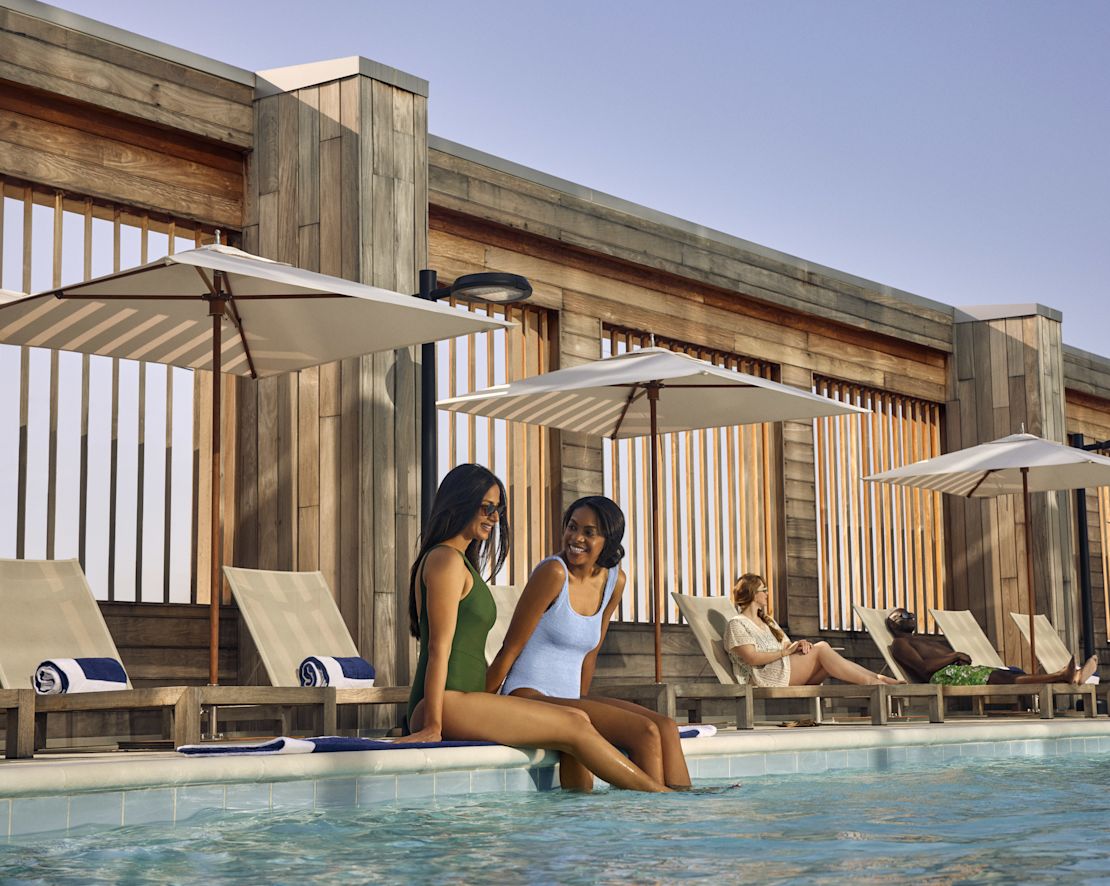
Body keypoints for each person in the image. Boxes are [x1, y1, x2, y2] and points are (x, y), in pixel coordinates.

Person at [398, 464, 668, 793]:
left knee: (578, 719)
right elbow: (439, 648)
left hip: (467, 699)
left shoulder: (461, 560)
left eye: (498, 510)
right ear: (460, 502)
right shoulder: (445, 560)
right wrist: (432, 725)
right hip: (443, 702)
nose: (494, 518)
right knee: (573, 723)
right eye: (487, 507)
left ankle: (579, 819)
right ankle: (661, 798)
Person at [486, 496, 692, 791]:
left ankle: (684, 810)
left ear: (608, 540)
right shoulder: (553, 573)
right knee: (645, 731)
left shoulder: (614, 581)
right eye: (572, 527)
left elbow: (591, 652)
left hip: (569, 699)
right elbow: (511, 647)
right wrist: (481, 704)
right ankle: (655, 820)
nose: (576, 538)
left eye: (589, 532)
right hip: (528, 695)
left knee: (666, 727)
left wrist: (588, 704)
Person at [724, 573, 903, 687]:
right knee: (823, 649)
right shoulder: (737, 624)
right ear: (753, 593)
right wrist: (784, 652)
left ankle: (878, 679)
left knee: (823, 652)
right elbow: (752, 658)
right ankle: (873, 682)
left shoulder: (767, 620)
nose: (767, 593)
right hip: (765, 677)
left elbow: (786, 645)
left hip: (783, 669)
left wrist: (799, 645)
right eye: (764, 590)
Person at [885, 608, 1099, 686]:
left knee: (1006, 674)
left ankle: (1070, 676)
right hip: (945, 677)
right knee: (1004, 678)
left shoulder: (917, 640)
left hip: (956, 671)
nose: (910, 616)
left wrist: (957, 658)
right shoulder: (900, 644)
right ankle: (1062, 675)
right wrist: (954, 655)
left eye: (911, 614)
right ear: (893, 623)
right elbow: (923, 668)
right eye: (903, 615)